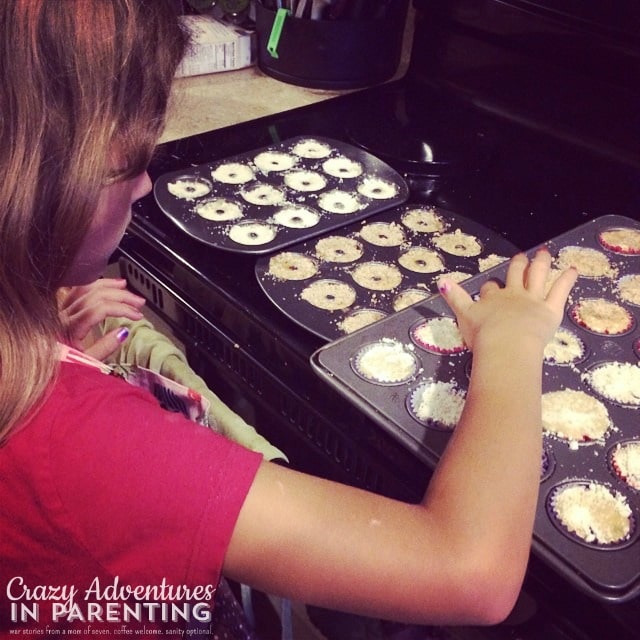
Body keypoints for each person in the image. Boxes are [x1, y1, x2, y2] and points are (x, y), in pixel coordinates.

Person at [0, 0, 578, 637]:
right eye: (127, 163)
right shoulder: (81, 446)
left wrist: (48, 332)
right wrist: (512, 340)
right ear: (29, 182)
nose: (144, 187)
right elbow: (470, 573)